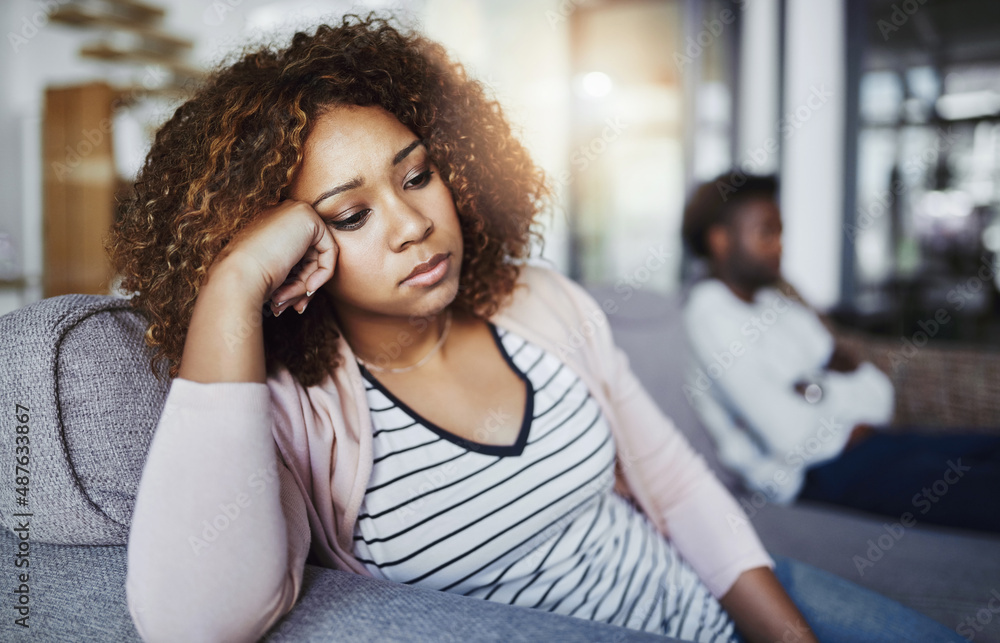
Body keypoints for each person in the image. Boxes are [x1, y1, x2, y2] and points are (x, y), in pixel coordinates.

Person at [110, 15, 966, 643]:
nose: (412, 222)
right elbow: (196, 623)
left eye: (417, 174)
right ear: (293, 247)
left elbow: (675, 486)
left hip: (728, 604)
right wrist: (230, 289)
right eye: (351, 213)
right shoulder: (301, 409)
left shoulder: (542, 302)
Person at [680, 172, 1000, 534]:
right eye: (766, 233)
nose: (780, 246)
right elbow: (792, 438)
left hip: (869, 444)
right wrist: (834, 389)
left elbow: (880, 396)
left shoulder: (780, 305)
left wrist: (813, 391)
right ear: (721, 241)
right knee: (984, 491)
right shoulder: (708, 313)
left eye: (781, 232)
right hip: (817, 474)